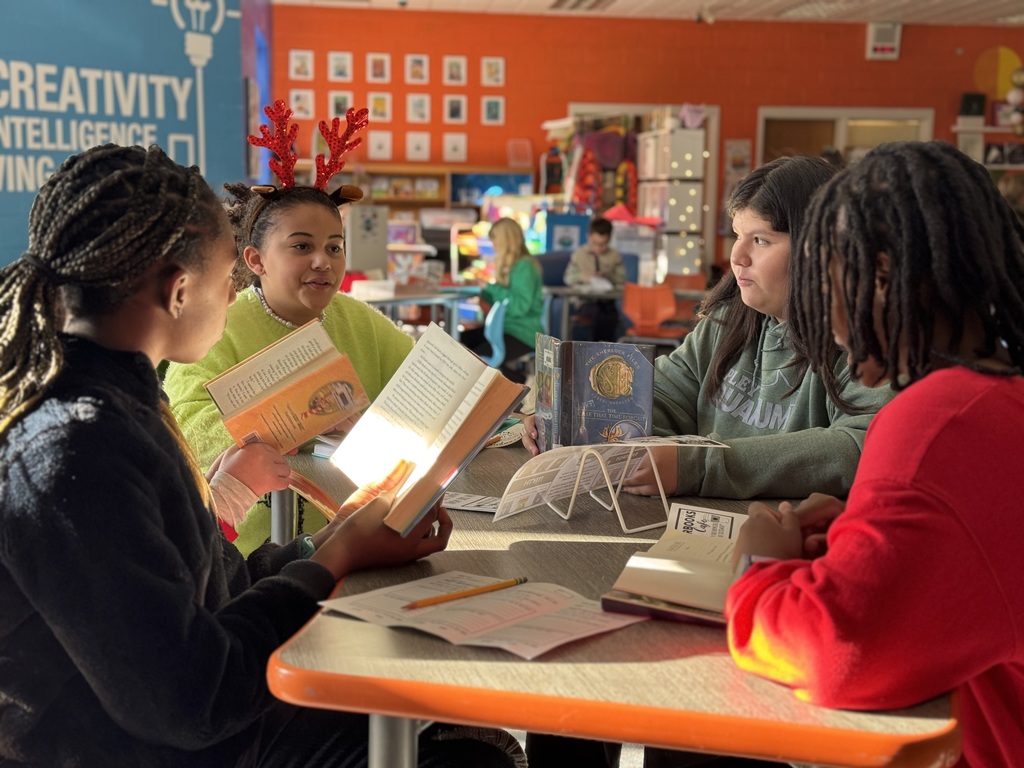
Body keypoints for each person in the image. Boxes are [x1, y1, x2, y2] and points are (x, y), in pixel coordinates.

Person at [0, 143, 518, 768]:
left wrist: (323, 545)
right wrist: (333, 558)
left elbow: (211, 584)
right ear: (179, 289)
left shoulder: (117, 410)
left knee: (456, 729)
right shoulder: (75, 452)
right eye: (228, 279)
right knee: (462, 754)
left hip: (205, 727)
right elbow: (194, 699)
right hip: (156, 747)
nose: (233, 296)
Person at [523, 155, 892, 768]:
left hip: (768, 576)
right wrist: (576, 421)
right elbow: (662, 396)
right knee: (565, 672)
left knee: (698, 728)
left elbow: (860, 446)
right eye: (737, 237)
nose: (738, 258)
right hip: (675, 550)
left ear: (820, 251)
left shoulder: (856, 339)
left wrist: (696, 466)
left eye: (762, 240)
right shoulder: (729, 320)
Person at [726, 140, 1024, 768]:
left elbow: (833, 652)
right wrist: (861, 535)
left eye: (822, 279)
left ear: (880, 276)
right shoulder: (998, 401)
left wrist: (759, 565)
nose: (824, 320)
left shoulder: (935, 423)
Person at [164, 105, 414, 556]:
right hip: (249, 552)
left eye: (334, 248)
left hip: (360, 533)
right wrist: (302, 420)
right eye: (302, 246)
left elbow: (426, 382)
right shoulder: (220, 324)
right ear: (256, 261)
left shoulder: (357, 320)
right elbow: (187, 426)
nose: (323, 261)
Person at [460, 217, 544, 383]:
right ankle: (518, 384)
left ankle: (521, 388)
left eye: (495, 240)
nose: (493, 245)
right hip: (506, 330)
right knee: (463, 341)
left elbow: (519, 306)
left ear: (505, 240)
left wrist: (489, 287)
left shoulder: (524, 266)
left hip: (521, 333)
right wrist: (481, 290)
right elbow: (498, 300)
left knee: (474, 361)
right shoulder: (514, 266)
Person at [563, 215, 625, 341]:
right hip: (585, 301)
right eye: (595, 244)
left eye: (603, 244)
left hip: (607, 301)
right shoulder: (579, 254)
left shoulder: (614, 256)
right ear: (589, 237)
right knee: (596, 315)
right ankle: (596, 352)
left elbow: (621, 279)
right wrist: (582, 277)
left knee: (611, 317)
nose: (598, 248)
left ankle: (607, 352)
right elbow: (568, 278)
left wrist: (608, 276)